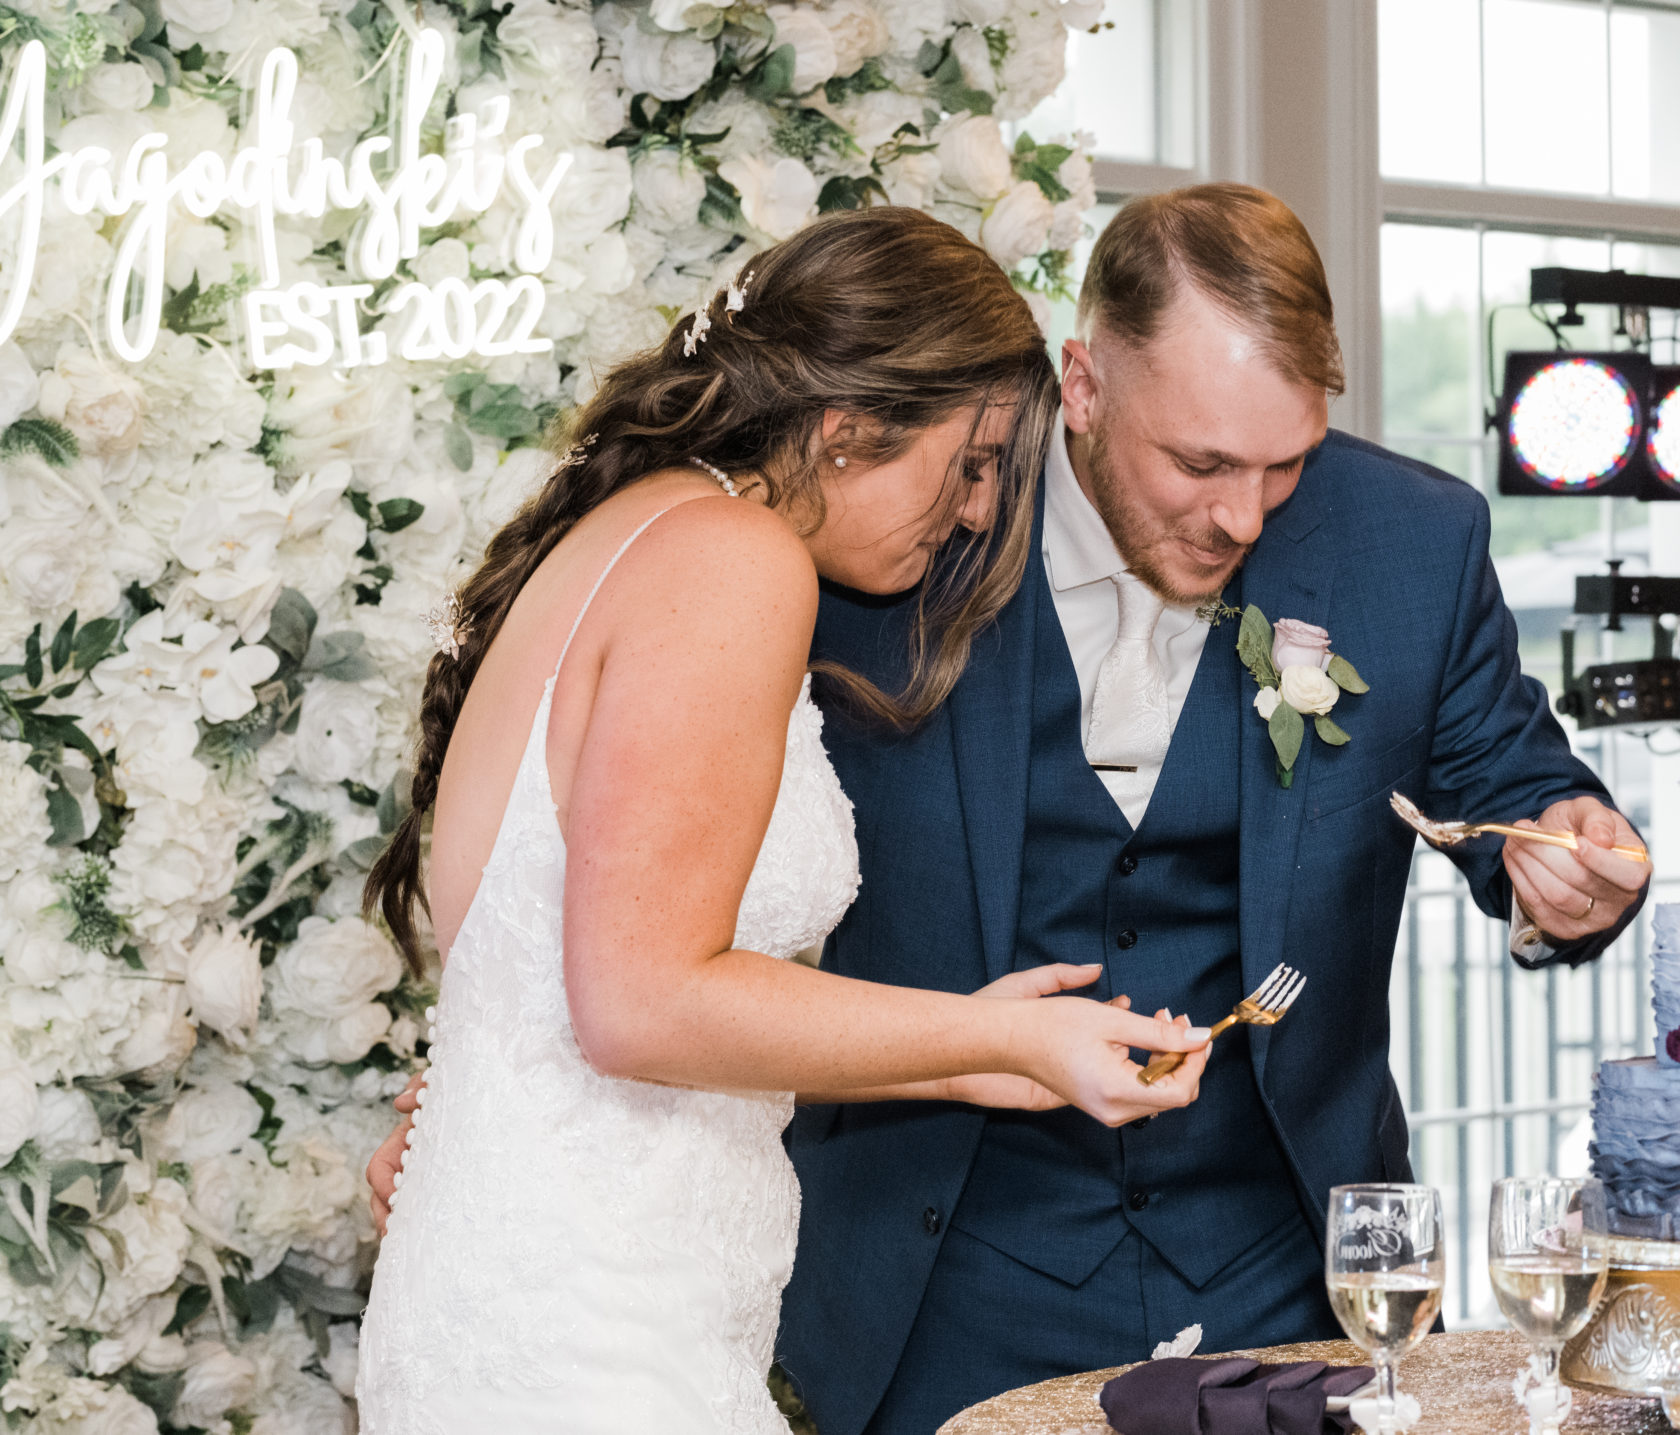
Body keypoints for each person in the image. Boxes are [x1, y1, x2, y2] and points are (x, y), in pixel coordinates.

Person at [778, 185, 1650, 1435]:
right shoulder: (901, 523)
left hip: (1288, 1265)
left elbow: (1517, 792)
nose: (1243, 515)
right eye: (1199, 463)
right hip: (936, 1264)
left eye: (1284, 462)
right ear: (1079, 387)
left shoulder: (1411, 540)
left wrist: (1569, 856)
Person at [352, 207, 1211, 1434]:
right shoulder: (731, 561)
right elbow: (642, 1002)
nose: (976, 512)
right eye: (969, 462)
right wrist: (1010, 1045)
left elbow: (557, 983)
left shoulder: (642, 531)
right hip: (597, 1327)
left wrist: (976, 1043)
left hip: (543, 1286)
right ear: (849, 427)